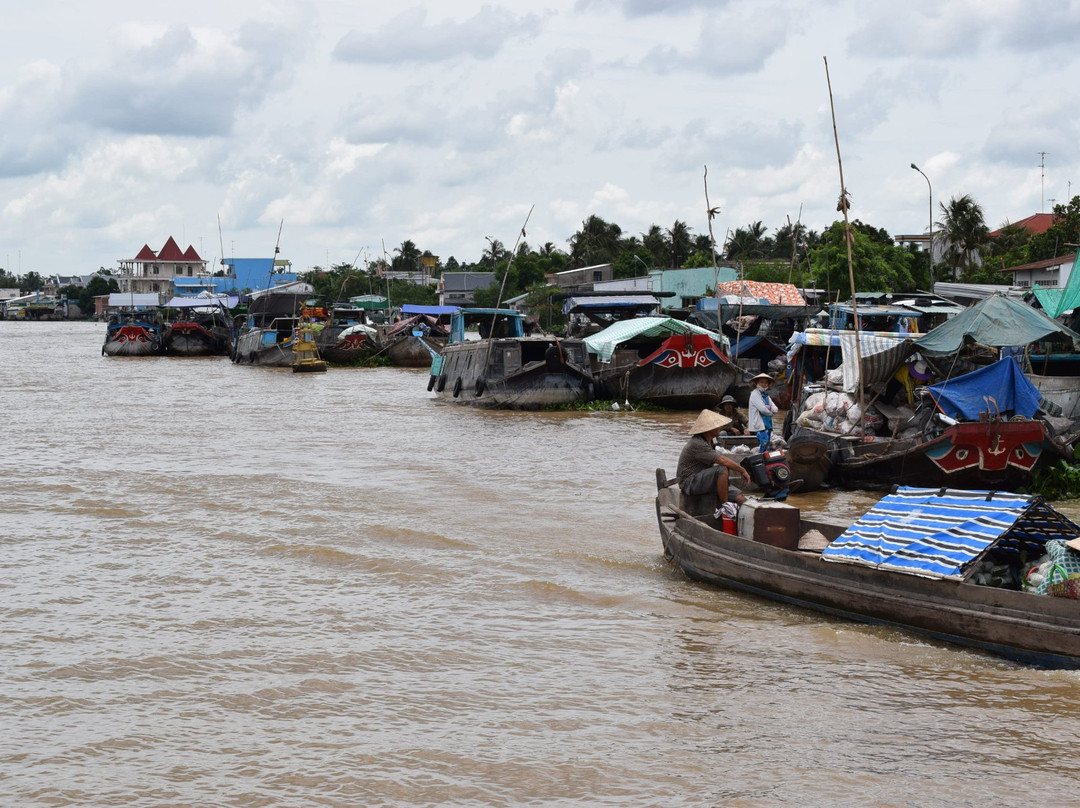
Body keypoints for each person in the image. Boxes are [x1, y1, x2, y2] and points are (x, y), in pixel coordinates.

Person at [676, 409, 751, 512]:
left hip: (704, 479)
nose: (720, 427)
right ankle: (726, 508)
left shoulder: (710, 441)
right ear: (708, 429)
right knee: (722, 469)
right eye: (716, 425)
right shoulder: (697, 443)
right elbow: (722, 461)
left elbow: (721, 459)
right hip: (689, 483)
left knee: (740, 497)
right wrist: (742, 470)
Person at [747, 372, 779, 452]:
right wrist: (771, 412)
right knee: (764, 444)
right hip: (759, 426)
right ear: (757, 383)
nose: (764, 384)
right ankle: (762, 459)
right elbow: (763, 409)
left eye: (766, 382)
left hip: (767, 425)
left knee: (766, 445)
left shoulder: (766, 395)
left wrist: (770, 407)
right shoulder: (754, 394)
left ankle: (764, 459)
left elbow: (776, 409)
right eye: (761, 382)